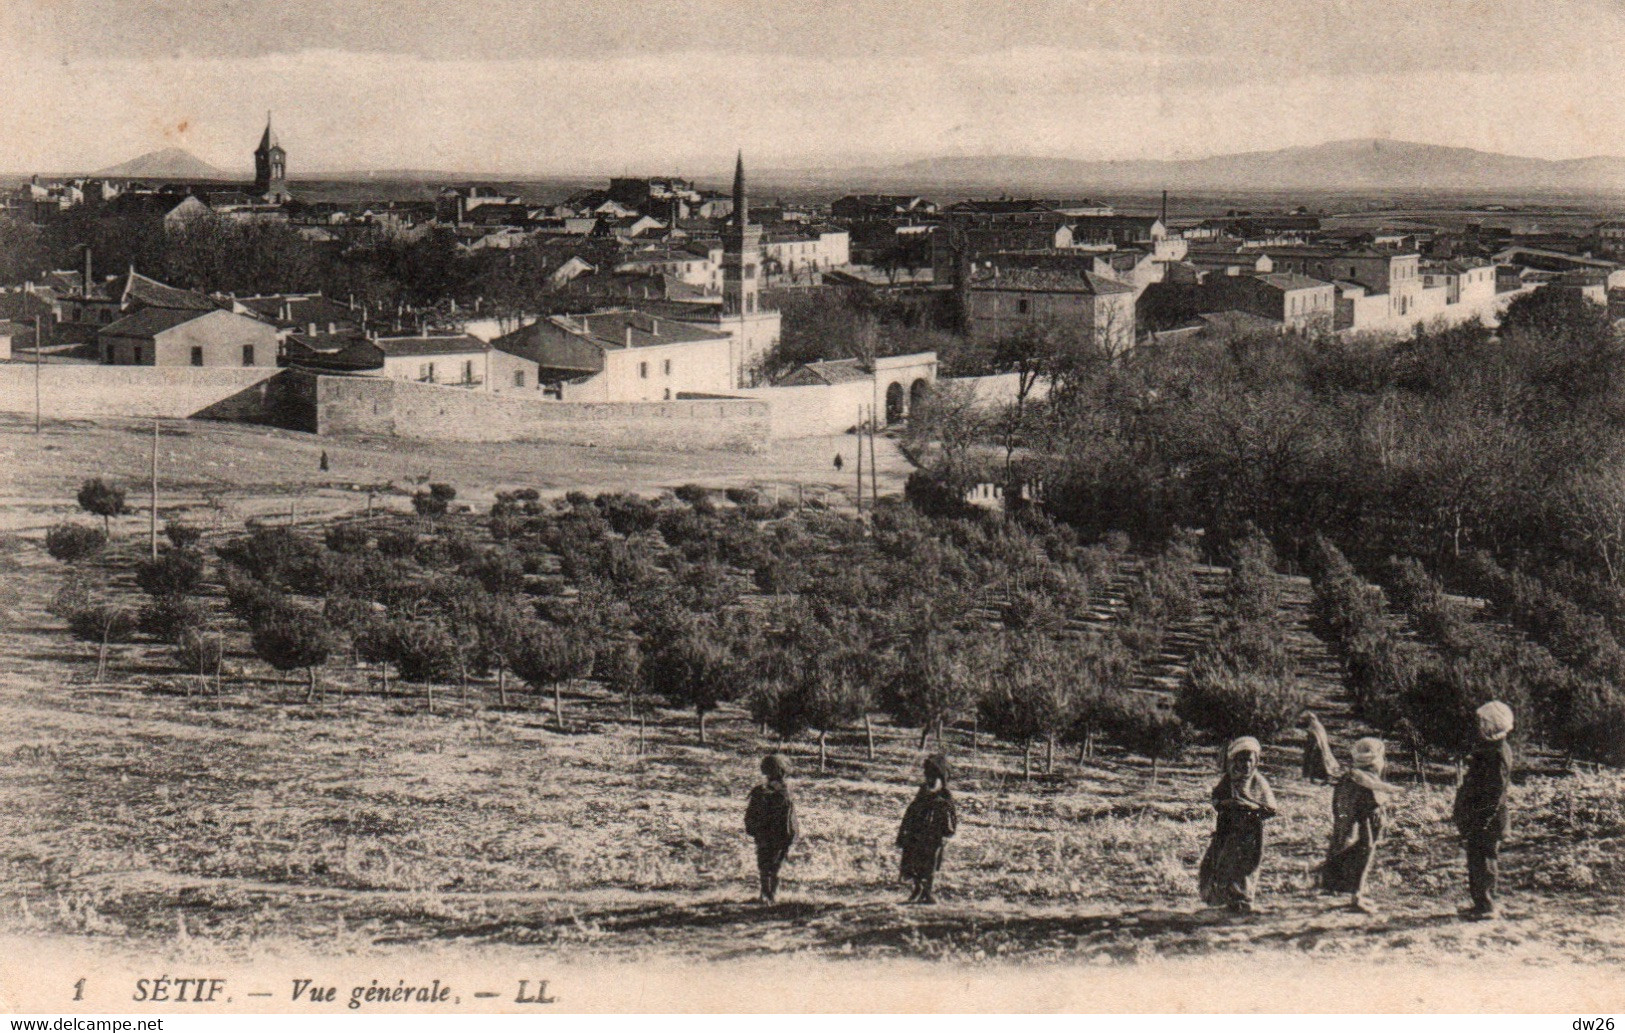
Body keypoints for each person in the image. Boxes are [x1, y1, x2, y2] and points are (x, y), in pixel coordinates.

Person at [1198, 736, 1278, 914]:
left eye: (1249, 760)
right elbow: (1217, 798)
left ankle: (1242, 902)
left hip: (1249, 833)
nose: (1245, 765)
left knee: (1243, 866)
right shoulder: (1229, 778)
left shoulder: (1258, 782)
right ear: (1233, 760)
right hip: (1227, 829)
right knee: (1219, 863)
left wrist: (1252, 807)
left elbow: (1271, 809)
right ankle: (1223, 901)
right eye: (1241, 760)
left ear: (1256, 761)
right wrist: (1224, 804)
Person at [1320, 736, 1400, 914]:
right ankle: (1355, 897)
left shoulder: (1353, 778)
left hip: (1363, 823)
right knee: (1363, 855)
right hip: (1365, 824)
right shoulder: (1360, 780)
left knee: (1360, 854)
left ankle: (1352, 893)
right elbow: (1364, 804)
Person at [1453, 700, 1514, 919]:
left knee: (1484, 860)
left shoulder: (1497, 754)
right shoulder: (1491, 749)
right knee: (1477, 859)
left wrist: (1482, 819)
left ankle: (1487, 905)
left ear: (1492, 726)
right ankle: (1481, 902)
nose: (1478, 726)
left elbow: (1495, 792)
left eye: (1482, 722)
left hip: (1487, 817)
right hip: (1481, 816)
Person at [897, 753, 957, 904]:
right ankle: (918, 889)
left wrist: (946, 833)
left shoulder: (945, 799)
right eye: (928, 777)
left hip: (933, 837)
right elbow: (910, 812)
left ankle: (927, 892)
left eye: (934, 778)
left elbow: (951, 820)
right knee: (911, 861)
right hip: (916, 834)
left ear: (942, 780)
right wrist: (903, 832)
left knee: (929, 865)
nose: (930, 781)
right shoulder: (922, 793)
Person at [744, 753, 798, 904]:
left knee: (765, 866)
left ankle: (766, 895)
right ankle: (770, 895)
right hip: (779, 835)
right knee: (774, 867)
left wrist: (755, 830)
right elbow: (790, 818)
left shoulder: (761, 790)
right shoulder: (784, 792)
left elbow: (751, 816)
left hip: (766, 835)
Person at [1300, 710, 1342, 783]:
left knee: (1320, 762)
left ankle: (1325, 779)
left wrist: (1314, 746)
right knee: (1314, 762)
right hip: (1316, 746)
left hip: (1317, 747)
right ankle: (1313, 779)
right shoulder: (1315, 725)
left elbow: (1316, 737)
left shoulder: (1315, 726)